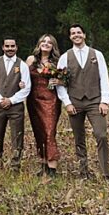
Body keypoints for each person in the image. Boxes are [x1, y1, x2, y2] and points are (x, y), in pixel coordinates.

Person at [56, 24, 109, 179]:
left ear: (84, 35)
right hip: (75, 102)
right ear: (70, 37)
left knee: (101, 135)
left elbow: (104, 78)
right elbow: (60, 83)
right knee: (79, 138)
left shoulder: (97, 54)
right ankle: (84, 172)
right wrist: (67, 102)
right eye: (73, 33)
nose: (76, 35)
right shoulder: (65, 57)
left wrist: (105, 101)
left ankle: (105, 173)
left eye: (78, 32)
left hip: (95, 101)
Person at [0, 38, 31, 170]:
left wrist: (11, 100)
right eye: (7, 46)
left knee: (17, 135)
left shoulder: (22, 65)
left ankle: (15, 164)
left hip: (16, 107)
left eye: (12, 46)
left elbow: (26, 87)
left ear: (16, 47)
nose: (10, 48)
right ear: (3, 47)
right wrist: (0, 100)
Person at [25, 34, 63, 177]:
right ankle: (43, 164)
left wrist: (59, 82)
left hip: (51, 100)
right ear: (39, 44)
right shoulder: (31, 60)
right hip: (33, 100)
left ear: (53, 46)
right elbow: (22, 76)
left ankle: (52, 167)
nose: (46, 44)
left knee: (49, 131)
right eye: (43, 41)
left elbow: (66, 79)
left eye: (49, 42)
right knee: (39, 131)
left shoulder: (57, 62)